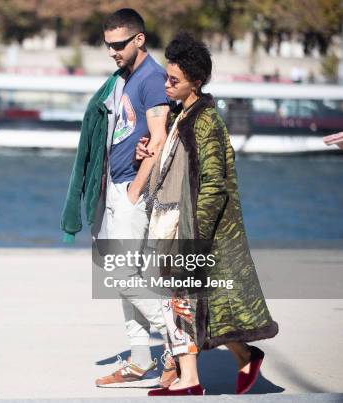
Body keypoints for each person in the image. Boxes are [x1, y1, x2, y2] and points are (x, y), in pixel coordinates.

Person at [134, 32, 278, 396]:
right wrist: (147, 153)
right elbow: (174, 165)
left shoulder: (206, 121)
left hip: (187, 225)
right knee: (178, 300)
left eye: (174, 80)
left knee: (180, 299)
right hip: (169, 217)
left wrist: (194, 238)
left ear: (195, 82)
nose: (166, 84)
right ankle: (228, 361)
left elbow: (214, 182)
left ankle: (193, 378)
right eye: (167, 77)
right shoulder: (183, 114)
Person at [61, 8, 176, 388]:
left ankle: (180, 338)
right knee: (124, 274)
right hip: (111, 186)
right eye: (108, 45)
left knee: (122, 274)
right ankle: (140, 359)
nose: (112, 51)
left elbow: (158, 139)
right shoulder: (122, 78)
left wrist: (135, 189)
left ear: (139, 39)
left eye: (120, 44)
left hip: (130, 190)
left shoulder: (152, 79)